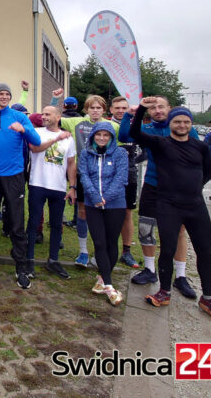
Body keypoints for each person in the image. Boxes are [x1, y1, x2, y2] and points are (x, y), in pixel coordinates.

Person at [130, 100, 211, 324]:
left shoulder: (200, 147)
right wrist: (141, 109)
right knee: (167, 247)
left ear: (191, 124)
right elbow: (134, 132)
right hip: (168, 205)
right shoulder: (160, 143)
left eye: (186, 121)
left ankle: (209, 298)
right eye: (177, 121)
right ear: (170, 123)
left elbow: (207, 172)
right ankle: (164, 291)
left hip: (195, 205)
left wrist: (191, 188)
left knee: (205, 250)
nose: (182, 125)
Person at [119, 95, 199, 298]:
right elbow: (125, 136)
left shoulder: (183, 128)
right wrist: (130, 115)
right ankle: (149, 269)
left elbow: (199, 157)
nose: (158, 111)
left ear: (169, 108)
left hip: (179, 189)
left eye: (161, 107)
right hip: (153, 185)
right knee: (146, 228)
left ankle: (180, 276)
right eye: (153, 108)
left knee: (179, 231)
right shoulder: (147, 129)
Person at [0, 83, 41, 289]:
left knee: (16, 222)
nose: (4, 97)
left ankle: (20, 266)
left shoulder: (20, 117)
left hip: (14, 176)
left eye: (7, 94)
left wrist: (25, 130)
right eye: (0, 94)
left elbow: (36, 141)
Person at [60, 95, 113, 268]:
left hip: (104, 177)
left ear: (103, 110)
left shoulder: (113, 126)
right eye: (92, 108)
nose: (95, 111)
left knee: (103, 214)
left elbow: (127, 138)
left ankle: (101, 252)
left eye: (98, 108)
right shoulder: (76, 122)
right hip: (83, 174)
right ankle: (83, 252)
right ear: (86, 109)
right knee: (82, 213)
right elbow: (50, 118)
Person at [79, 122, 128, 306]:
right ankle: (109, 285)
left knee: (110, 242)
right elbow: (84, 175)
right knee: (99, 242)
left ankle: (102, 278)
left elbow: (121, 177)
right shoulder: (86, 154)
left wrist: (106, 197)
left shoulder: (120, 154)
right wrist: (94, 196)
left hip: (115, 204)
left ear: (111, 137)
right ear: (92, 136)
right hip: (93, 204)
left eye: (105, 135)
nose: (101, 138)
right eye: (98, 135)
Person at [26, 105, 77, 280]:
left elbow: (71, 163)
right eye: (43, 114)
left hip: (58, 187)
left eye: (48, 114)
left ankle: (53, 260)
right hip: (37, 184)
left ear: (58, 116)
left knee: (56, 225)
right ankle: (29, 260)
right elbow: (35, 148)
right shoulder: (37, 132)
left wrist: (72, 187)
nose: (44, 117)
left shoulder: (68, 139)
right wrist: (56, 139)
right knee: (33, 223)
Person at [110, 96, 141, 268]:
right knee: (108, 213)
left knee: (128, 213)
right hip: (109, 175)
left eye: (124, 108)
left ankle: (126, 252)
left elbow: (143, 151)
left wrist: (133, 162)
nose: (121, 111)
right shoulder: (107, 126)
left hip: (130, 175)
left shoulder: (134, 127)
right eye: (118, 108)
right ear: (111, 110)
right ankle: (107, 249)